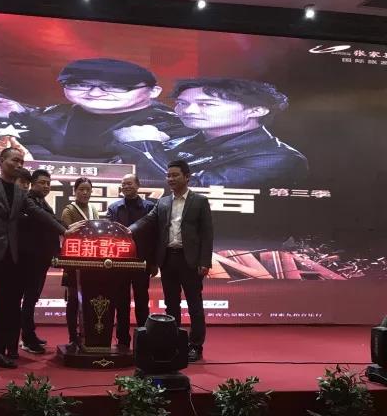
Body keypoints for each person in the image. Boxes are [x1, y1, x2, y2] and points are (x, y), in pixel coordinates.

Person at [0, 146, 66, 376]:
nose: (19, 164)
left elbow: (39, 213)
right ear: (1, 161)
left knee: (3, 307)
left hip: (9, 256)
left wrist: (65, 230)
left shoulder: (21, 192)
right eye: (15, 160)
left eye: (22, 161)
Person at [10, 58, 190, 182]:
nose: (95, 93)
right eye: (80, 85)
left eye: (117, 87)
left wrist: (144, 146)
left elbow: (173, 181)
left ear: (154, 91)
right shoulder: (48, 115)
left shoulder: (176, 126)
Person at [130, 160, 213, 362]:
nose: (170, 179)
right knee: (171, 305)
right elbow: (147, 220)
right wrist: (128, 230)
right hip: (168, 259)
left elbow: (207, 233)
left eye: (175, 175)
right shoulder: (163, 202)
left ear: (187, 177)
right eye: (168, 175)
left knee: (194, 305)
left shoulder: (199, 201)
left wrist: (205, 261)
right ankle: (175, 343)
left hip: (190, 261)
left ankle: (196, 346)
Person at [167, 78, 308, 187]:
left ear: (256, 111)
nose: (187, 111)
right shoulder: (175, 141)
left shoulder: (278, 158)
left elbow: (184, 187)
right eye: (182, 103)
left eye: (206, 104)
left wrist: (153, 146)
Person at [11, 168, 61, 356]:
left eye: (48, 183)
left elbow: (53, 220)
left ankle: (28, 334)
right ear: (33, 184)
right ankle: (27, 339)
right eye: (42, 182)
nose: (46, 186)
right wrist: (65, 230)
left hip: (41, 259)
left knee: (32, 299)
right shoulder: (28, 199)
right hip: (29, 259)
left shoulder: (42, 201)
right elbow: (45, 219)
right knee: (29, 299)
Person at [106, 174, 155, 346]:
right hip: (120, 262)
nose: (126, 186)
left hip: (142, 261)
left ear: (138, 185)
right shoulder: (114, 208)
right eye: (123, 184)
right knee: (121, 302)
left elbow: (155, 237)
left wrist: (154, 262)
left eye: (129, 183)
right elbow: (109, 235)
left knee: (142, 301)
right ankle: (122, 340)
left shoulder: (150, 207)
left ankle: (143, 339)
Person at [60, 177, 99, 345]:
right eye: (81, 189)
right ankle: (72, 337)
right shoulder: (68, 210)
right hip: (74, 260)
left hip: (91, 260)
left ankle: (88, 334)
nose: (85, 193)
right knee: (73, 301)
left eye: (88, 190)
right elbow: (67, 235)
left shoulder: (93, 209)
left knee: (90, 298)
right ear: (75, 191)